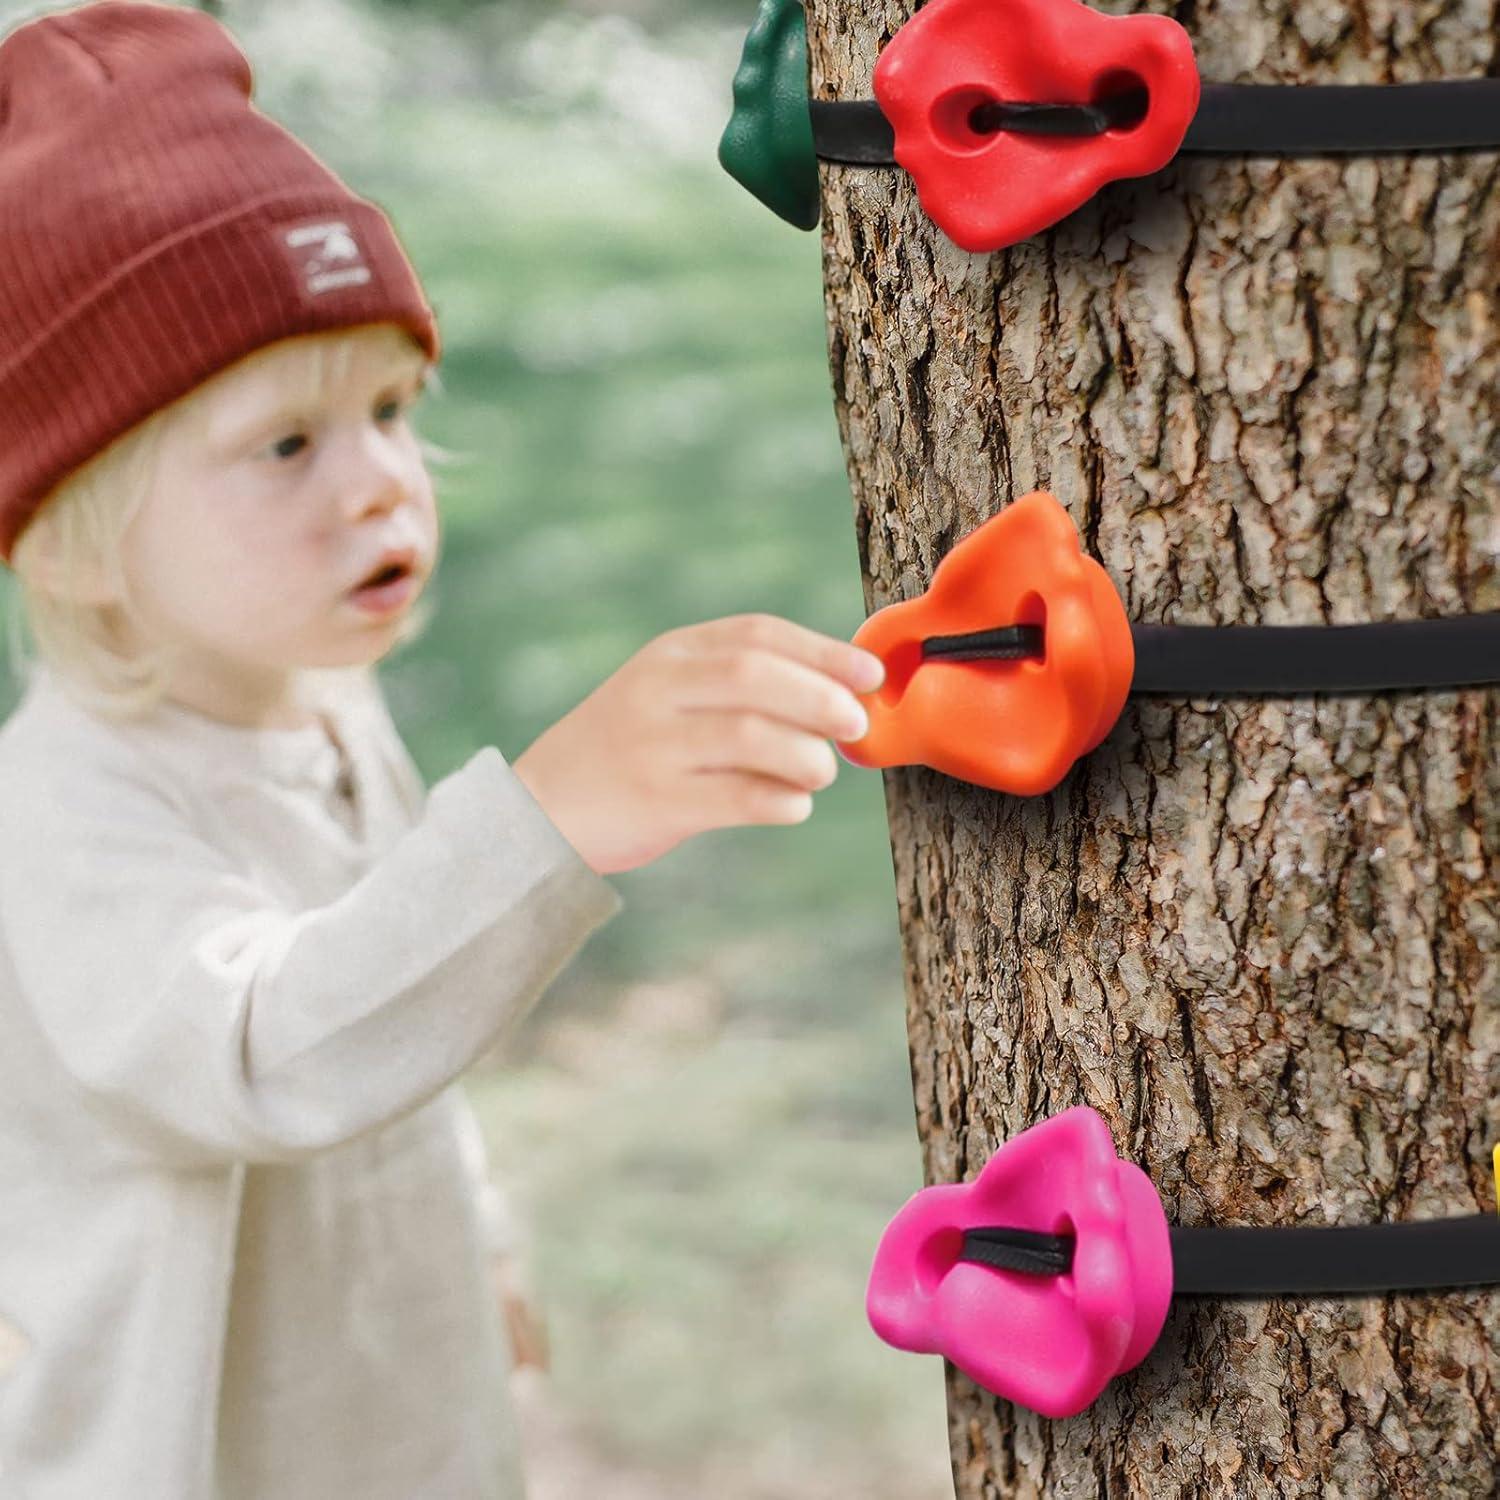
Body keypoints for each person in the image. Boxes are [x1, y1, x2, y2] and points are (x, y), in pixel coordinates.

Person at [0, 3, 884, 1496]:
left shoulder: (320, 709)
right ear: (77, 542)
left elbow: (403, 1042)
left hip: (399, 1431)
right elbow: (262, 1051)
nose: (382, 487)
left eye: (394, 409)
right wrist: (551, 819)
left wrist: (478, 1242)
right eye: (288, 444)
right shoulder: (69, 805)